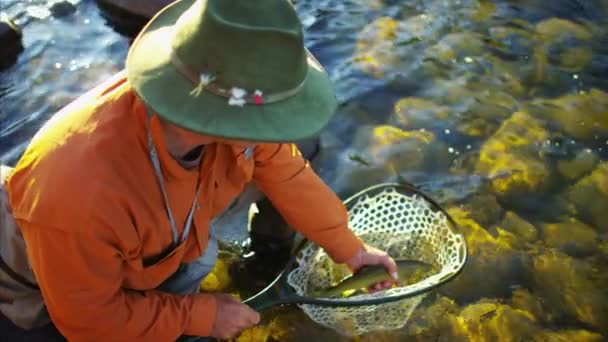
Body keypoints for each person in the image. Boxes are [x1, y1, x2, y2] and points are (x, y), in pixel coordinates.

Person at [0, 0, 399, 340]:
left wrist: (352, 250)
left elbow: (287, 173)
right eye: (272, 117)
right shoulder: (78, 193)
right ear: (215, 118)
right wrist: (204, 315)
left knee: (204, 251)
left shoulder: (230, 119)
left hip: (145, 244)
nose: (278, 129)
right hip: (29, 288)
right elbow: (89, 321)